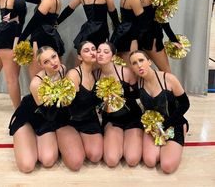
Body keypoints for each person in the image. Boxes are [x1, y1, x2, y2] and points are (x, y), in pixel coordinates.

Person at [129, 50, 190, 174]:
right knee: (150, 161)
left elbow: (185, 104)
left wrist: (166, 125)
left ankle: (181, 132)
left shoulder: (168, 79)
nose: (139, 65)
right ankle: (163, 148)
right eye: (134, 63)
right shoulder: (139, 83)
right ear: (132, 68)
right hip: (154, 126)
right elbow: (129, 98)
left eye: (141, 60)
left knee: (167, 166)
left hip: (174, 122)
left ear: (149, 62)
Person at [9, 46, 67, 173]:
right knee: (27, 166)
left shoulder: (62, 69)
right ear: (41, 65)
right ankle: (26, 136)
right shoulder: (36, 83)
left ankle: (36, 141)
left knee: (48, 160)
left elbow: (53, 112)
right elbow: (50, 112)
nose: (53, 62)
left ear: (58, 55)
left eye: (54, 57)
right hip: (29, 116)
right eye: (46, 61)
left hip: (46, 118)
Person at [56, 41, 103, 171]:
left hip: (89, 119)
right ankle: (65, 140)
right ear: (80, 57)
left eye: (94, 49)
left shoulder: (97, 73)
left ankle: (79, 141)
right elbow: (65, 104)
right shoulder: (74, 74)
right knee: (76, 163)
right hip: (69, 121)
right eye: (86, 50)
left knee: (95, 156)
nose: (92, 52)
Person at [95, 42, 143, 167]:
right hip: (112, 120)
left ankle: (130, 140)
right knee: (111, 160)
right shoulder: (95, 74)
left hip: (131, 117)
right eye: (99, 51)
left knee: (132, 160)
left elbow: (139, 95)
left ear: (113, 56)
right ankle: (118, 141)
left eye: (106, 52)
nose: (101, 54)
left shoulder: (126, 72)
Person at [18, 0, 67, 78]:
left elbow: (34, 21)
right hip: (52, 37)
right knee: (54, 76)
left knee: (37, 77)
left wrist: (21, 38)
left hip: (41, 36)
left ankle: (37, 95)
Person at [136, 0, 181, 73]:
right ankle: (174, 90)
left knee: (145, 72)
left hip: (140, 37)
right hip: (152, 38)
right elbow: (162, 19)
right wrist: (173, 39)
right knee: (167, 73)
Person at [110, 0, 146, 65]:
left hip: (123, 32)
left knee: (123, 67)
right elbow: (143, 20)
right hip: (130, 35)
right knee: (131, 67)